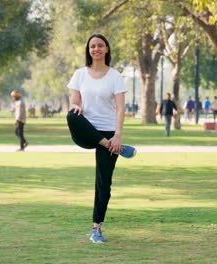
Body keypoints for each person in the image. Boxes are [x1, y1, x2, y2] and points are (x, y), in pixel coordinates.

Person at [67, 33, 136, 244]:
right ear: (89, 51)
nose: (96, 49)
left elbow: (120, 108)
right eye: (92, 46)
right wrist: (77, 105)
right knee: (71, 115)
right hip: (87, 130)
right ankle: (113, 147)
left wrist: (117, 135)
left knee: (103, 183)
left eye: (100, 46)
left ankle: (96, 228)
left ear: (106, 49)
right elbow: (73, 100)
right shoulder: (80, 74)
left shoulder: (115, 76)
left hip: (108, 131)